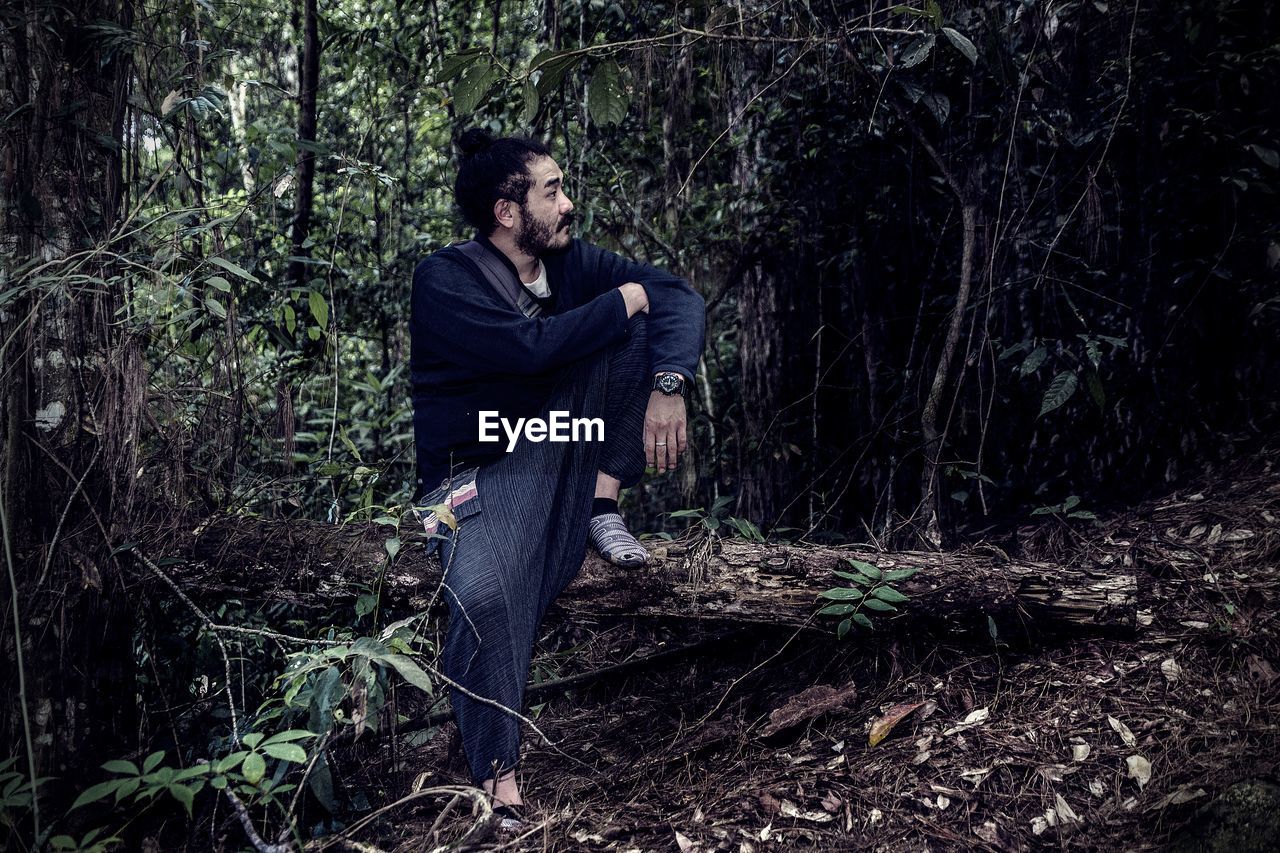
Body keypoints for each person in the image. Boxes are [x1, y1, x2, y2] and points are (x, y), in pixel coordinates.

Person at [408, 128, 705, 828]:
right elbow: (525, 352)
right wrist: (624, 300)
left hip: (561, 456)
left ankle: (603, 505)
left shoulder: (570, 264)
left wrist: (668, 380)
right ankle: (499, 778)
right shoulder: (445, 277)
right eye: (552, 191)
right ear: (508, 210)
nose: (568, 204)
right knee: (483, 595)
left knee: (638, 319)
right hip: (472, 472)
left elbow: (677, 295)